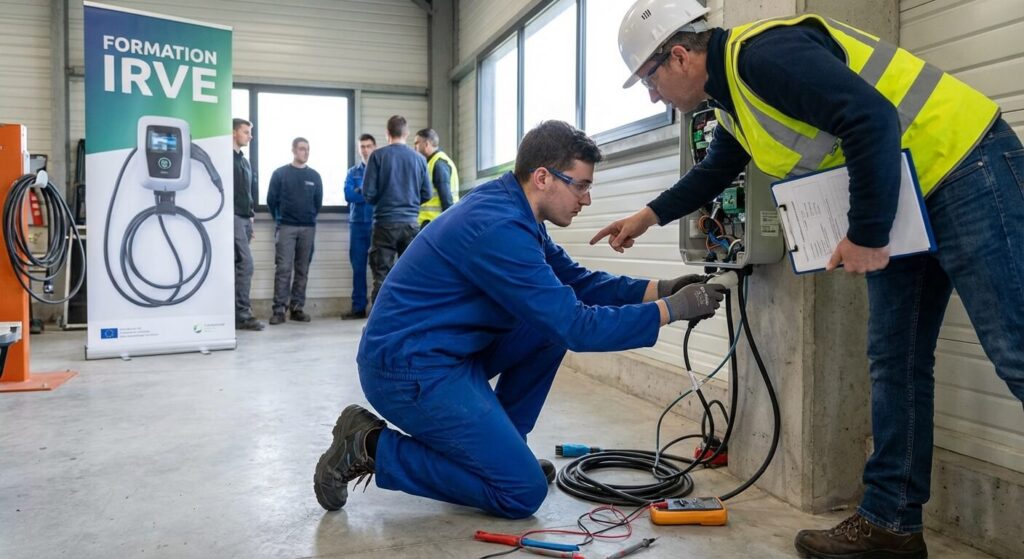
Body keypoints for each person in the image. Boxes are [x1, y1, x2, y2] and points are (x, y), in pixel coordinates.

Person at [595, 1, 1024, 557]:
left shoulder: (763, 55)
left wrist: (867, 234)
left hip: (965, 164)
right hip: (904, 195)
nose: (654, 97)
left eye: (650, 81)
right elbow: (716, 170)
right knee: (894, 361)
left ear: (678, 56)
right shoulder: (731, 105)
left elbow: (870, 116)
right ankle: (891, 523)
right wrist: (647, 216)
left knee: (1015, 350)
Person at [312, 120, 728, 519]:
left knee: (545, 331)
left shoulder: (515, 209)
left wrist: (664, 287)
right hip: (407, 369)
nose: (586, 199)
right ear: (543, 177)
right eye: (580, 186)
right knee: (521, 492)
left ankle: (502, 451)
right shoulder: (498, 226)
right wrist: (673, 311)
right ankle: (369, 445)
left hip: (446, 352)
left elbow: (577, 282)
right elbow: (576, 325)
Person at [362, 115, 432, 303]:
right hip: (410, 224)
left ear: (387, 134)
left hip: (384, 224)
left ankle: (378, 325)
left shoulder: (377, 156)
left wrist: (385, 199)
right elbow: (427, 193)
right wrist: (409, 202)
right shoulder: (419, 159)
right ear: (407, 133)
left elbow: (368, 193)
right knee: (409, 277)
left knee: (381, 277)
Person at [267, 137, 323, 325]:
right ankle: (279, 310)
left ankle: (297, 308)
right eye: (301, 149)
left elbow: (318, 203)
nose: (305, 152)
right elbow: (271, 200)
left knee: (302, 269)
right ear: (293, 150)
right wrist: (281, 220)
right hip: (286, 227)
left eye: (307, 149)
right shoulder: (280, 174)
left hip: (308, 228)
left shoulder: (315, 176)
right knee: (283, 269)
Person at [231, 118, 264, 331]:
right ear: (233, 132)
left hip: (244, 219)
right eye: (246, 132)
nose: (250, 136)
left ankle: (237, 311)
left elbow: (249, 191)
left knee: (240, 266)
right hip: (232, 217)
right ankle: (242, 314)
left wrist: (251, 217)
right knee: (246, 264)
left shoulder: (244, 161)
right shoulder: (226, 159)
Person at [342, 134, 377, 320]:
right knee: (358, 267)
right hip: (357, 225)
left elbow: (380, 194)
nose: (365, 150)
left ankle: (378, 309)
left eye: (368, 146)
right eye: (362, 146)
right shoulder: (352, 172)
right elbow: (349, 195)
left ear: (375, 147)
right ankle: (358, 308)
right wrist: (368, 193)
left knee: (379, 267)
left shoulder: (381, 170)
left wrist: (361, 191)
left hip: (377, 224)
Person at [413, 128, 459, 228]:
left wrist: (449, 225)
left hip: (435, 224)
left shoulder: (438, 164)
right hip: (432, 223)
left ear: (426, 144)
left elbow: (446, 199)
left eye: (417, 143)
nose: (415, 147)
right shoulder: (431, 163)